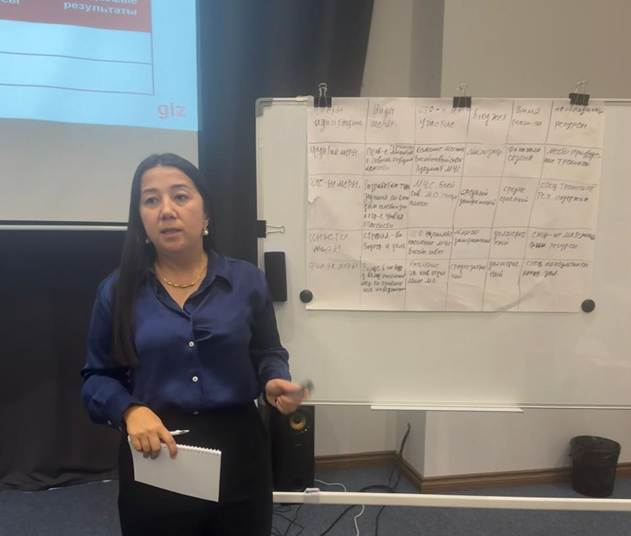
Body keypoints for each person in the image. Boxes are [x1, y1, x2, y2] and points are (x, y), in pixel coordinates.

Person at [81, 153, 305, 535]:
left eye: (180, 196)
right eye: (151, 200)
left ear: (205, 215)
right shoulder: (117, 291)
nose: (166, 210)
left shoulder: (247, 281)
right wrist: (129, 411)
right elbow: (96, 378)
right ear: (141, 219)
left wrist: (273, 379)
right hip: (156, 451)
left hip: (241, 451)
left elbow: (268, 352)